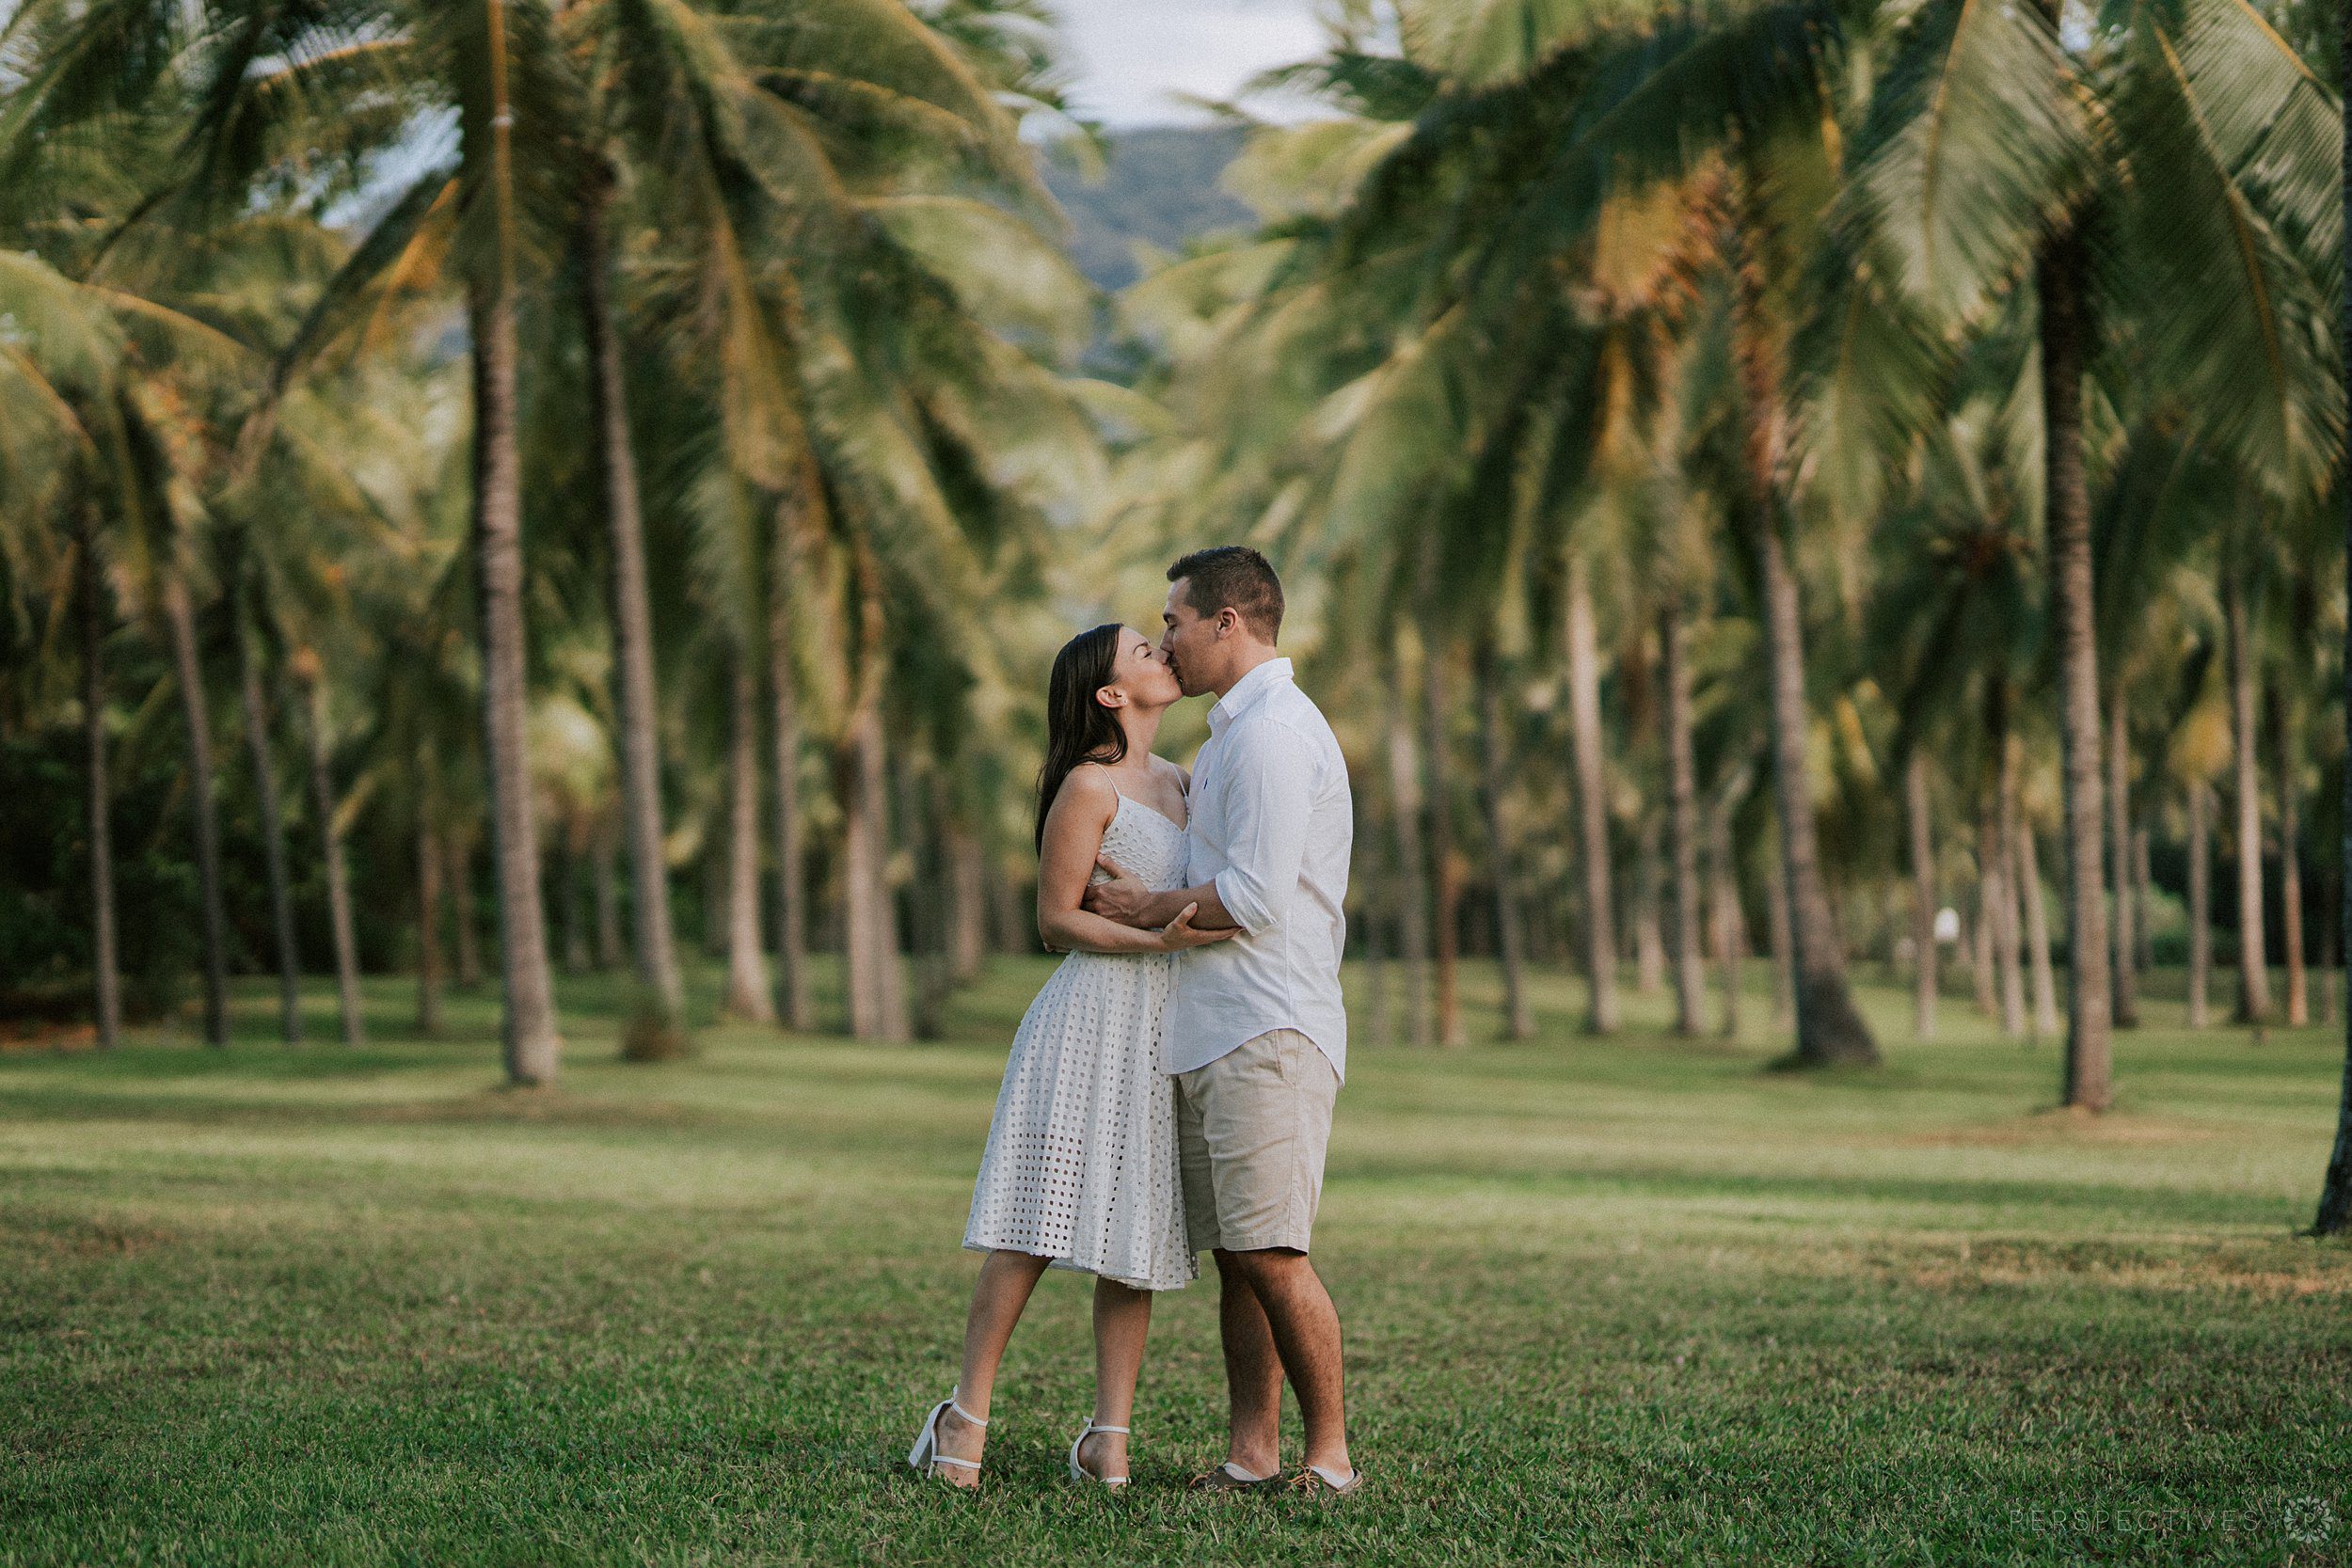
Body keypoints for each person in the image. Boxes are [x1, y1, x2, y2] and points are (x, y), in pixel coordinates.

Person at [908, 624, 1237, 1490]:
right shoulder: (1089, 787)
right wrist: (1157, 938)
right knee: (1034, 1224)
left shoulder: (1189, 783)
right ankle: (964, 1416)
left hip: (1164, 1032)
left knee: (1135, 1236)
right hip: (1088, 1020)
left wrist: (1166, 928)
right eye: (1140, 648)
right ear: (1109, 692)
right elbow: (1057, 921)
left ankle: (1108, 1438)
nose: (1161, 650)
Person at [1083, 546, 1362, 1497]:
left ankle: (1328, 1457)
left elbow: (1251, 896)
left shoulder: (1276, 731)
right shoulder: (1229, 739)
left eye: (1172, 619)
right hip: (1214, 1023)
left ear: (1225, 623)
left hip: (1267, 1025)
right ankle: (1253, 1455)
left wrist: (1140, 910)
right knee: (1239, 1254)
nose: (1164, 636)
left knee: (1271, 1248)